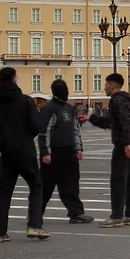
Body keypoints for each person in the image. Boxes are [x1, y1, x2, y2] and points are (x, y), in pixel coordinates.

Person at [0, 67, 48, 243]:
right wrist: (25, 136)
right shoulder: (26, 101)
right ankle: (35, 225)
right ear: (14, 80)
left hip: (6, 152)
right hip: (25, 150)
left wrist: (3, 137)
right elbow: (37, 125)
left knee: (3, 191)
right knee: (36, 185)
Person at [79, 73, 130, 227]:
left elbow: (123, 122)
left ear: (112, 86)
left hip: (124, 144)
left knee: (118, 180)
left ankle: (117, 216)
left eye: (106, 85)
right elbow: (111, 122)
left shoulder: (116, 100)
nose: (104, 87)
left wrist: (125, 144)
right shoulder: (124, 99)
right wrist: (90, 118)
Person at [38, 79, 94, 224]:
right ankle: (35, 213)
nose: (66, 92)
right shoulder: (49, 109)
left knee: (72, 184)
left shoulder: (69, 108)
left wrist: (78, 148)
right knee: (46, 186)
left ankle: (76, 213)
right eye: (63, 90)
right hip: (53, 154)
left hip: (69, 153)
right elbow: (44, 132)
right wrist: (45, 152)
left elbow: (75, 130)